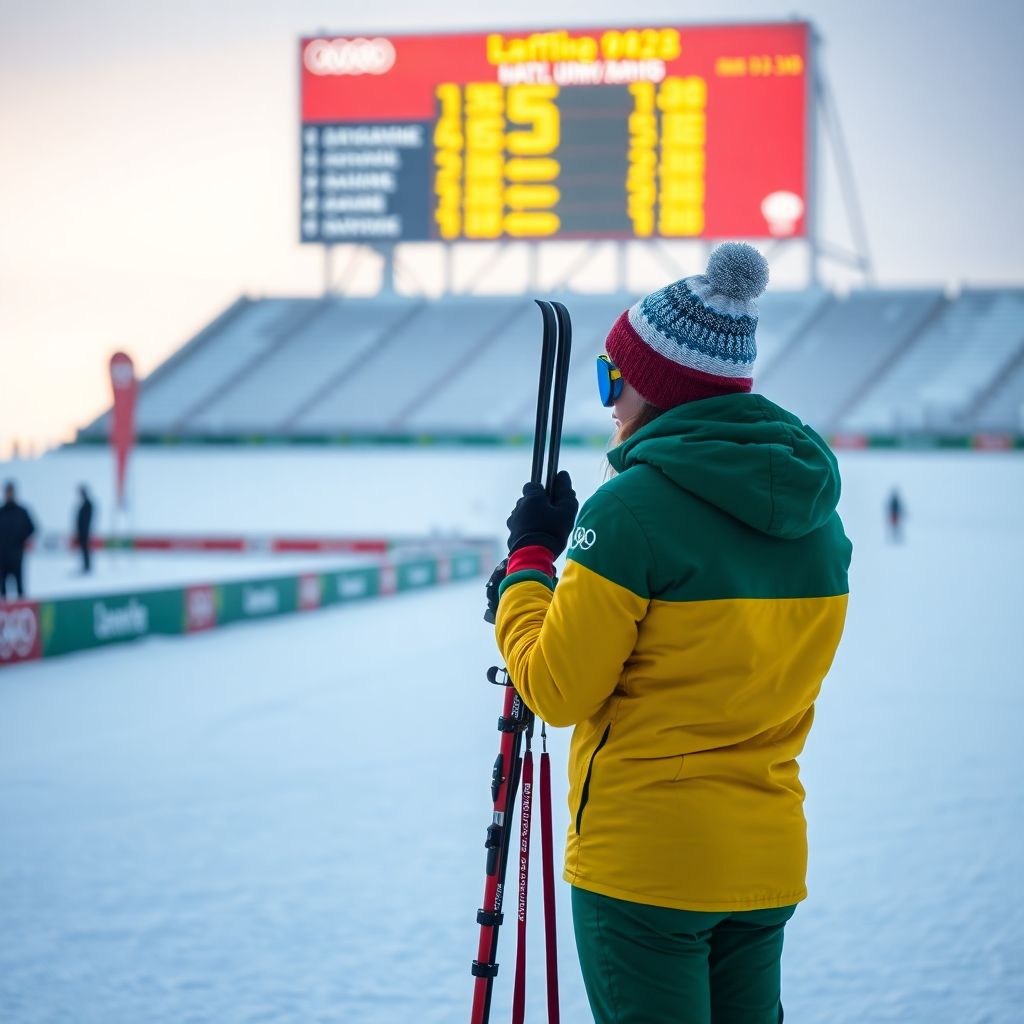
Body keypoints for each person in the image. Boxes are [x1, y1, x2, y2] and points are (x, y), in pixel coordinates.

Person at [489, 243, 852, 1024]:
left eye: (611, 378)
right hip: (764, 859)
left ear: (655, 387)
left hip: (645, 869)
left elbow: (556, 689)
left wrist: (528, 568)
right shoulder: (819, 522)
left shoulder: (631, 509)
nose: (608, 401)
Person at [0, 481, 36, 600]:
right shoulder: (1, 512)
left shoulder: (21, 511)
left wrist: (21, 538)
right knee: (3, 588)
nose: (9, 494)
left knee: (20, 587)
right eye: (7, 492)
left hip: (17, 555)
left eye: (11, 491)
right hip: (2, 557)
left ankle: (22, 608)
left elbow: (32, 528)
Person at [76, 484, 95, 573]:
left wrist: (84, 530)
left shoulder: (88, 504)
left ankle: (87, 567)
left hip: (85, 531)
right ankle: (85, 566)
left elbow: (86, 519)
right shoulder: (84, 504)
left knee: (86, 549)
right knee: (83, 550)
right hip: (82, 531)